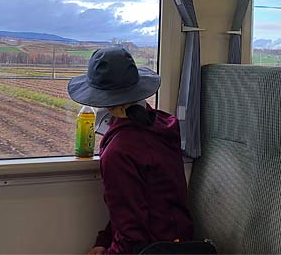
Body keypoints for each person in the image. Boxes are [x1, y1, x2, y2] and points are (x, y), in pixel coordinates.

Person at [68, 47, 193, 255]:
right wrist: (104, 240)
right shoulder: (161, 123)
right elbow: (133, 209)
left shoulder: (119, 151)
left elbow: (132, 236)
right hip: (177, 242)